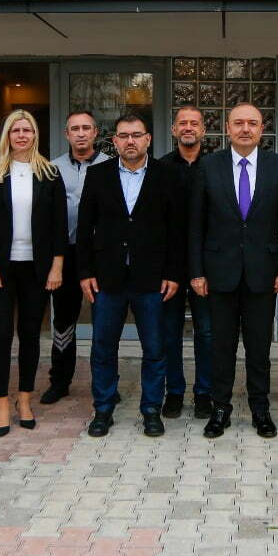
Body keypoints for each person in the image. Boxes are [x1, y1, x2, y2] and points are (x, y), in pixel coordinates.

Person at [188, 102, 278, 439]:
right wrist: (197, 272)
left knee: (259, 347)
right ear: (227, 128)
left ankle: (260, 409)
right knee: (221, 346)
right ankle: (220, 409)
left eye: (252, 123)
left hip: (264, 273)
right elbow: (196, 226)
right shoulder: (209, 166)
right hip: (219, 272)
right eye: (238, 123)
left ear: (262, 129)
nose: (245, 129)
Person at [75, 114, 184, 438]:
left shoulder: (167, 175)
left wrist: (174, 274)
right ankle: (104, 408)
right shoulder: (98, 176)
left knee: (154, 348)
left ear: (148, 139)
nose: (130, 141)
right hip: (107, 279)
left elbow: (177, 231)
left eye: (137, 135)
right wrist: (85, 272)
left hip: (151, 279)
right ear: (115, 141)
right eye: (124, 136)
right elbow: (83, 228)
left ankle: (151, 409)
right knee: (103, 348)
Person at [0, 110, 68, 436]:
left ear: (35, 134)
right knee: (1, 336)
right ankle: (1, 403)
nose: (22, 135)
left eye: (27, 129)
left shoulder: (50, 174)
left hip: (37, 269)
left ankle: (24, 399)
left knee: (30, 336)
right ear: (7, 135)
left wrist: (57, 266)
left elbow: (59, 225)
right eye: (16, 130)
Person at [48, 109, 110, 406]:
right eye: (75, 129)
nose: (81, 133)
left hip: (102, 254)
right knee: (63, 321)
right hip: (66, 254)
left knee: (104, 321)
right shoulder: (51, 168)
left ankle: (106, 384)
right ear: (67, 134)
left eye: (87, 128)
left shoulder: (112, 166)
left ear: (96, 133)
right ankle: (60, 381)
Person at [161, 105, 214, 419]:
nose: (188, 127)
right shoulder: (161, 168)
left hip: (207, 265)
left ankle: (204, 393)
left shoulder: (216, 166)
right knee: (170, 332)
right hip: (170, 266)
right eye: (182, 123)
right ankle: (175, 392)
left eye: (194, 123)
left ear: (203, 130)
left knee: (206, 332)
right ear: (173, 130)